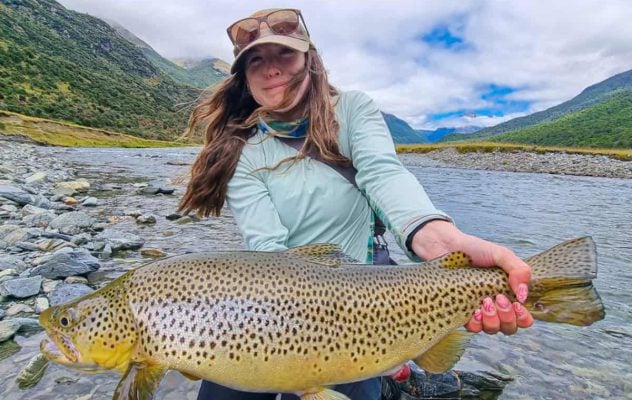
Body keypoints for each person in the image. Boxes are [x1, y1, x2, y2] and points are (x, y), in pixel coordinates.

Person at [178, 8, 534, 400]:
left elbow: (384, 175)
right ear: (244, 77)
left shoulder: (351, 110)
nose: (271, 69)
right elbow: (267, 247)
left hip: (364, 304)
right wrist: (290, 349)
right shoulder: (242, 148)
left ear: (310, 60)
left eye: (285, 54)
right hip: (277, 304)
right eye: (256, 61)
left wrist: (439, 239)